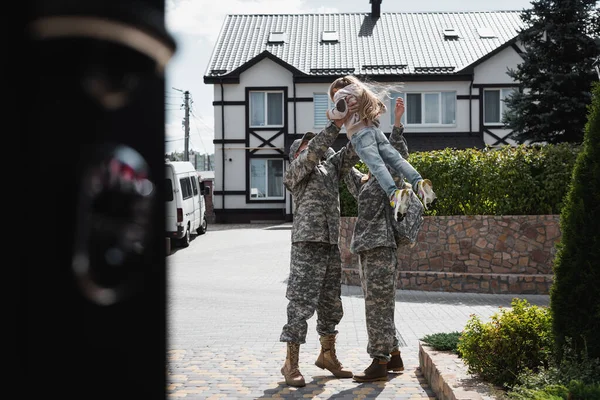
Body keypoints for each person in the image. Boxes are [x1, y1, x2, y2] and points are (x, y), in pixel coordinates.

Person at [344, 97, 425, 382]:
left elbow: (396, 153)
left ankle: (379, 361)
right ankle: (393, 356)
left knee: (377, 306)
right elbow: (346, 165)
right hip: (366, 249)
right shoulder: (365, 182)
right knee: (378, 303)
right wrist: (347, 124)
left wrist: (397, 124)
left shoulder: (385, 176)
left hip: (381, 248)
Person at [279, 105, 360, 387]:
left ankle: (327, 356)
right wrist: (334, 125)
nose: (313, 147)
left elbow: (350, 152)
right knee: (300, 304)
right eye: (306, 143)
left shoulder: (329, 168)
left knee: (330, 304)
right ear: (297, 152)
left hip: (329, 243)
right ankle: (290, 363)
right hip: (307, 244)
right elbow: (315, 149)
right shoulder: (297, 169)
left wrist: (361, 124)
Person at [327, 75, 436, 220]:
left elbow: (340, 112)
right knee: (397, 160)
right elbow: (381, 108)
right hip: (376, 132)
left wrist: (329, 114)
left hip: (360, 136)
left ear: (335, 89)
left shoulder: (341, 94)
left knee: (377, 167)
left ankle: (394, 194)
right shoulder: (361, 92)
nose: (334, 100)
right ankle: (419, 183)